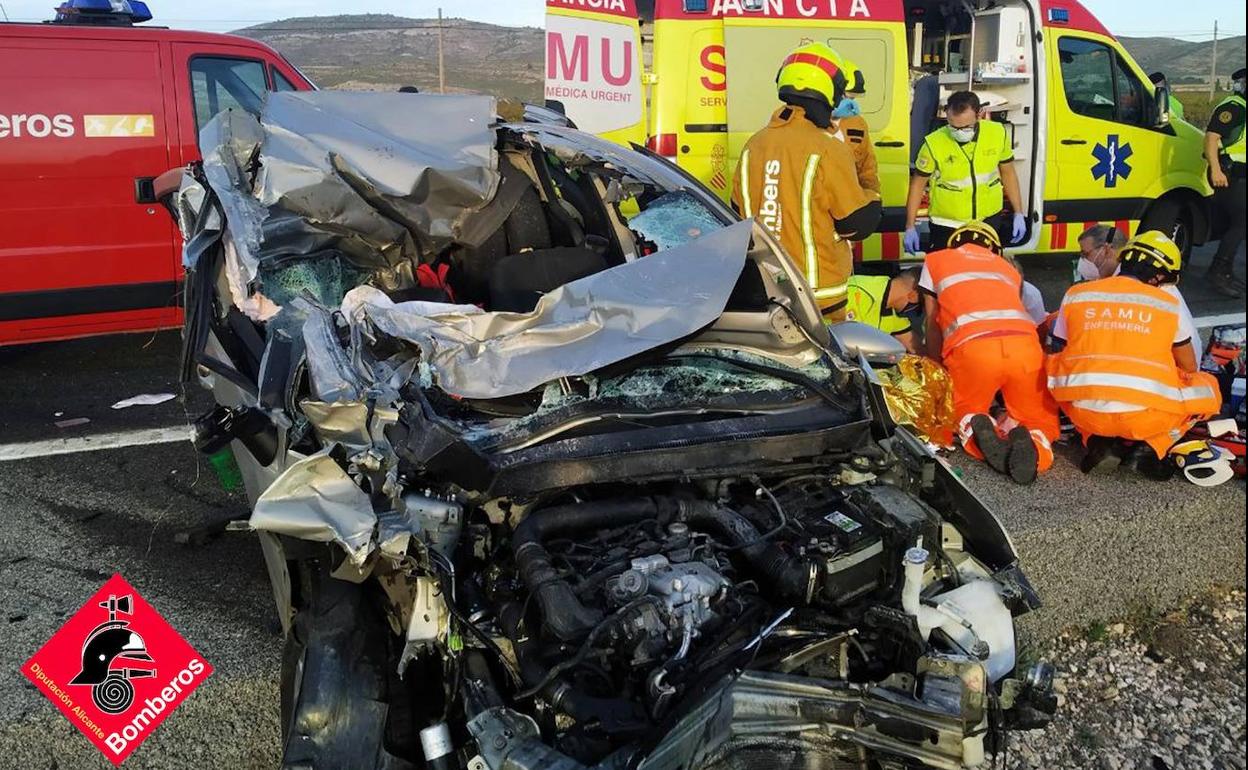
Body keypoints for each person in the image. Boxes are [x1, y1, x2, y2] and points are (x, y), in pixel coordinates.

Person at [1048, 231, 1222, 475]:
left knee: (1058, 368)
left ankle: (1096, 441)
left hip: (1085, 413)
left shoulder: (1078, 295)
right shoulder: (1167, 305)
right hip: (1146, 418)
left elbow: (1059, 347)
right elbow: (1188, 367)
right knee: (1207, 386)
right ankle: (1153, 445)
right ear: (1159, 276)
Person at [732, 43, 882, 322]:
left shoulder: (755, 144)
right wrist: (872, 195)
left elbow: (737, 208)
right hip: (818, 299)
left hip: (763, 288)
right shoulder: (827, 148)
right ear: (830, 92)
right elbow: (856, 223)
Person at [920, 221, 1059, 484]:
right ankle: (1036, 447)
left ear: (955, 243)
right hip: (1025, 348)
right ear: (994, 249)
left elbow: (932, 322)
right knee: (1037, 417)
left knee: (963, 407)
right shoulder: (1008, 269)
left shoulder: (936, 260)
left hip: (974, 349)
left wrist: (937, 369)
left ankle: (976, 427)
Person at [904, 91, 1027, 254]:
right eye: (953, 126)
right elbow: (917, 186)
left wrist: (1018, 212)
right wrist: (910, 226)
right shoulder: (934, 144)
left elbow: (1008, 173)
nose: (959, 132)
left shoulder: (997, 133)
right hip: (947, 224)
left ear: (979, 115)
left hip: (987, 220)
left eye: (966, 127)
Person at [1074, 224, 1202, 362]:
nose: (1082, 260)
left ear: (1106, 250)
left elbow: (1187, 362)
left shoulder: (1146, 287)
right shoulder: (1136, 279)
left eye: (1085, 254)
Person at [1203, 67, 1246, 298]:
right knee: (1241, 222)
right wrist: (1216, 170)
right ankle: (1217, 271)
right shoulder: (1233, 107)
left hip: (1241, 175)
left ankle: (1226, 271)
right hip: (1230, 174)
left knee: (1235, 225)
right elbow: (1211, 137)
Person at [830, 60, 880, 194]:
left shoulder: (857, 123)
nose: (851, 104)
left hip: (848, 201)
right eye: (848, 97)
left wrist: (873, 197)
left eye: (854, 98)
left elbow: (867, 167)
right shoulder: (808, 122)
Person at [845, 269, 921, 352]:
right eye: (921, 304)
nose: (916, 309)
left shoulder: (893, 308)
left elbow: (915, 347)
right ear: (913, 295)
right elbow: (843, 337)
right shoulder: (859, 292)